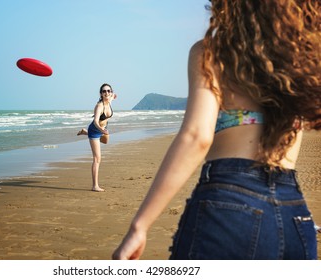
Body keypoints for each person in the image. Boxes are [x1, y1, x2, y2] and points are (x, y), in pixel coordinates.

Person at [113, 0, 320, 260]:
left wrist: (139, 226)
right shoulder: (302, 59)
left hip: (230, 203)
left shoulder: (213, 52)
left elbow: (197, 136)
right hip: (295, 213)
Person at [77, 83, 116, 192]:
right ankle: (95, 186)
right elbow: (95, 121)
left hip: (104, 128)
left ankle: (85, 132)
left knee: (105, 141)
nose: (106, 93)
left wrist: (114, 97)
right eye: (104, 91)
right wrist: (101, 130)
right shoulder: (99, 106)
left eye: (109, 91)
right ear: (101, 94)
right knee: (97, 158)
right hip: (95, 129)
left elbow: (113, 97)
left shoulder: (110, 100)